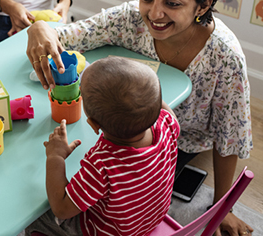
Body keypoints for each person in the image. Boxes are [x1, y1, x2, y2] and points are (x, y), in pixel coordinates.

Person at [26, 0, 253, 236]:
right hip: (148, 134)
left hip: (180, 142)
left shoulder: (225, 56)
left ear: (203, 6)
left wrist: (224, 207)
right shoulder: (129, 19)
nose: (154, 13)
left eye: (172, 3)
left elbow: (229, 138)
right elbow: (70, 35)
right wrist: (40, 28)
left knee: (51, 191)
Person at [26, 56, 180, 236]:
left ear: (93, 124)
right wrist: (146, 94)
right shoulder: (167, 123)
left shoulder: (102, 164)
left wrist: (55, 157)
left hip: (109, 232)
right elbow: (162, 109)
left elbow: (61, 208)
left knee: (36, 216)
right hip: (147, 222)